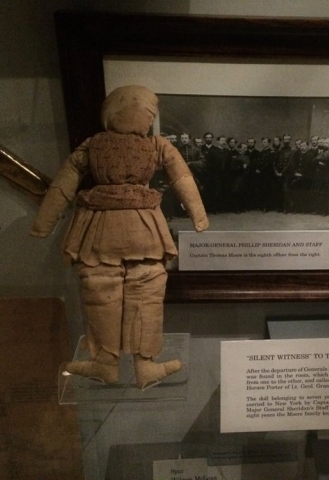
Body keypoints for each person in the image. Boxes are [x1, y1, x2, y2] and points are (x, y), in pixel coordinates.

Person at [30, 85, 208, 388]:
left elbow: (63, 184)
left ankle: (114, 364)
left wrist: (43, 224)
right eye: (148, 111)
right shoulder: (155, 145)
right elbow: (182, 178)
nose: (150, 117)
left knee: (106, 290)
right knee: (140, 289)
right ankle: (126, 365)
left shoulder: (96, 145)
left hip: (99, 231)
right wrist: (199, 217)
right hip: (143, 230)